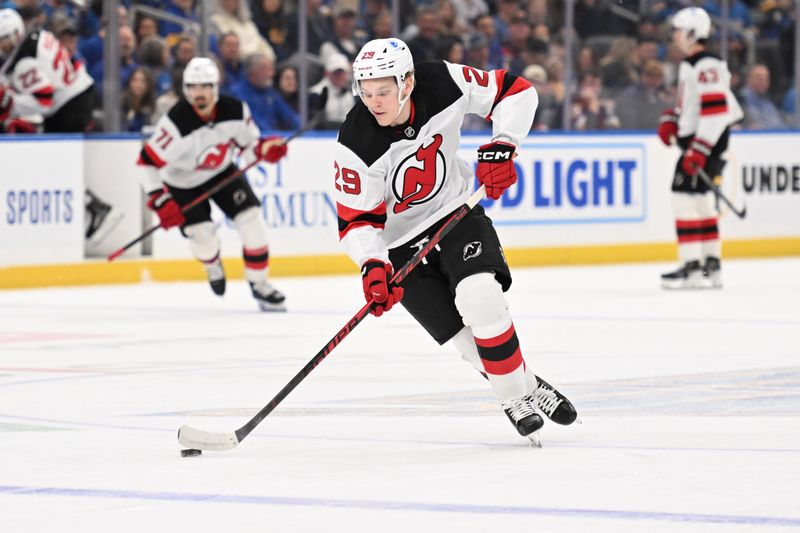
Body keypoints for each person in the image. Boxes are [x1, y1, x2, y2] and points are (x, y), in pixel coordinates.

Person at [333, 38, 577, 444]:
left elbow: (516, 92)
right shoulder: (355, 142)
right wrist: (372, 265)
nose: (373, 102)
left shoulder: (443, 80)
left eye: (383, 91)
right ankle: (528, 386)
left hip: (455, 212)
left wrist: (504, 144)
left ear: (407, 82)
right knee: (464, 339)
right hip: (398, 246)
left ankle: (512, 397)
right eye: (366, 91)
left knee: (481, 298)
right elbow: (357, 220)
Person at [136, 57, 288, 311]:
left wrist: (265, 150)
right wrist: (161, 200)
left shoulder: (236, 111)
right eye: (193, 87)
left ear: (216, 87)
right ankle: (212, 263)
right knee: (203, 238)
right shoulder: (174, 124)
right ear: (185, 90)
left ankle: (260, 284)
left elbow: (249, 147)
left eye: (205, 86)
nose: (199, 93)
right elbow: (146, 164)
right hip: (182, 183)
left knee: (252, 222)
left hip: (222, 172)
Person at [0, 7, 121, 245]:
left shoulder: (24, 63)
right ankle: (94, 206)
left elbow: (44, 101)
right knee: (56, 159)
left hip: (69, 105)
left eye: (4, 40)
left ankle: (95, 207)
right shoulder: (38, 36)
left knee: (54, 160)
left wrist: (10, 103)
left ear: (15, 35)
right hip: (79, 91)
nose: (2, 46)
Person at [656, 7, 743, 290]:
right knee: (701, 200)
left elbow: (716, 112)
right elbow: (693, 106)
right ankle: (710, 264)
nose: (674, 36)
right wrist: (674, 120)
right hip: (702, 144)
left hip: (705, 145)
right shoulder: (694, 63)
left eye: (678, 30)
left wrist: (699, 148)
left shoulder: (706, 64)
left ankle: (693, 267)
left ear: (694, 32)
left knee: (683, 199)